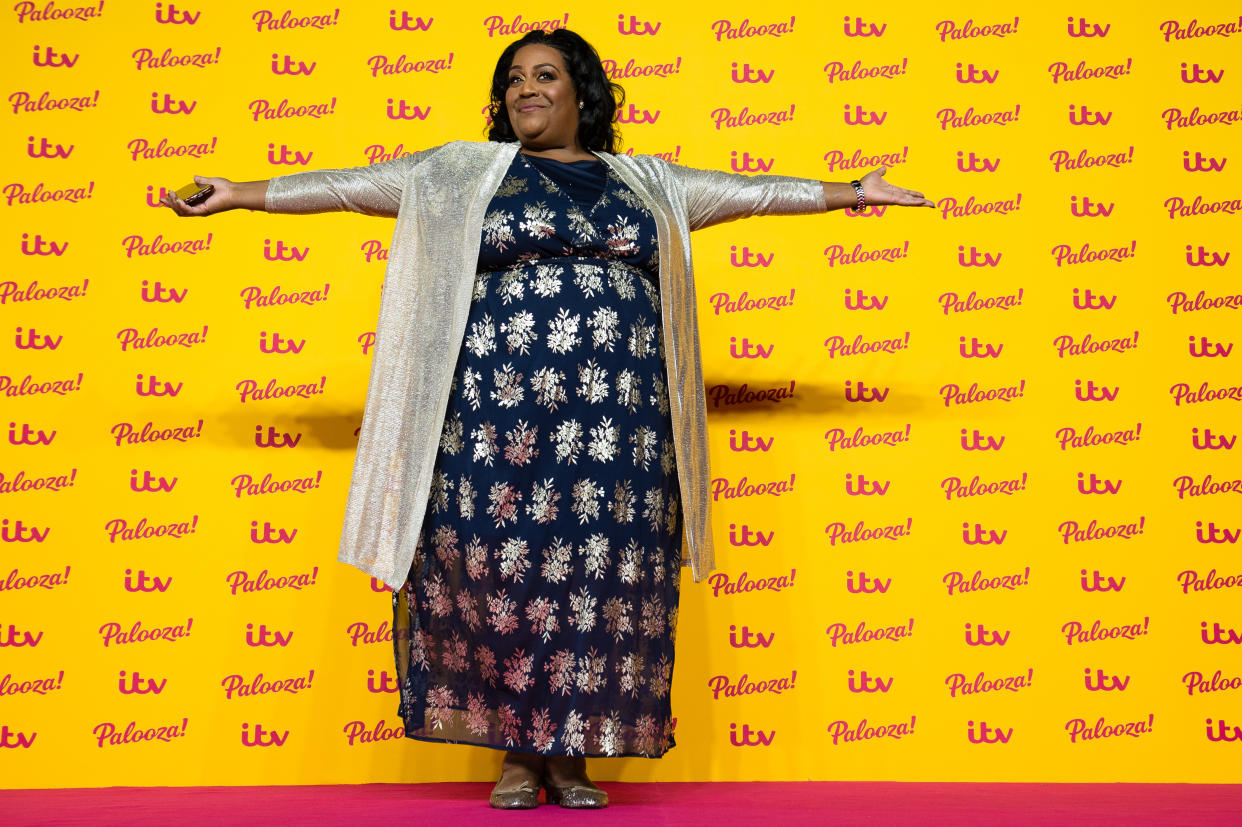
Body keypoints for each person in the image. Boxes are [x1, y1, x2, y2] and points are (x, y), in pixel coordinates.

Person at [162, 28, 932, 810]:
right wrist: (241, 191)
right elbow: (349, 185)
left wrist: (851, 193)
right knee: (505, 570)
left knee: (600, 577)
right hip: (496, 422)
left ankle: (574, 757)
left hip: (618, 430)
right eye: (513, 80)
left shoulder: (650, 183)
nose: (526, 89)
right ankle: (518, 756)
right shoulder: (460, 174)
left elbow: (752, 190)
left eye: (545, 75)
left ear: (581, 94)